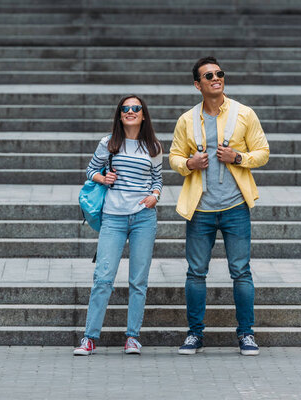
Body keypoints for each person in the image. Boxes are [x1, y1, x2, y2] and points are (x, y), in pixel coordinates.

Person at [169, 57, 270, 356]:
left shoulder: (244, 114)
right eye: (208, 75)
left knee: (241, 272)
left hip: (236, 206)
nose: (216, 78)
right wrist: (189, 163)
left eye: (219, 73)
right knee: (195, 273)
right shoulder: (187, 119)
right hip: (200, 208)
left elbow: (263, 151)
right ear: (197, 84)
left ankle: (246, 334)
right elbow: (174, 156)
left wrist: (238, 158)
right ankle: (194, 334)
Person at [74, 95, 163, 356]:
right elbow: (91, 171)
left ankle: (133, 337)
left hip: (144, 218)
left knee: (138, 280)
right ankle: (89, 338)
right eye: (125, 109)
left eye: (136, 108)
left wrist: (155, 196)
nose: (131, 111)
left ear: (143, 114)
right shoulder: (109, 143)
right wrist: (103, 177)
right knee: (103, 278)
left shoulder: (154, 146)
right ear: (120, 115)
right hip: (113, 217)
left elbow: (158, 179)